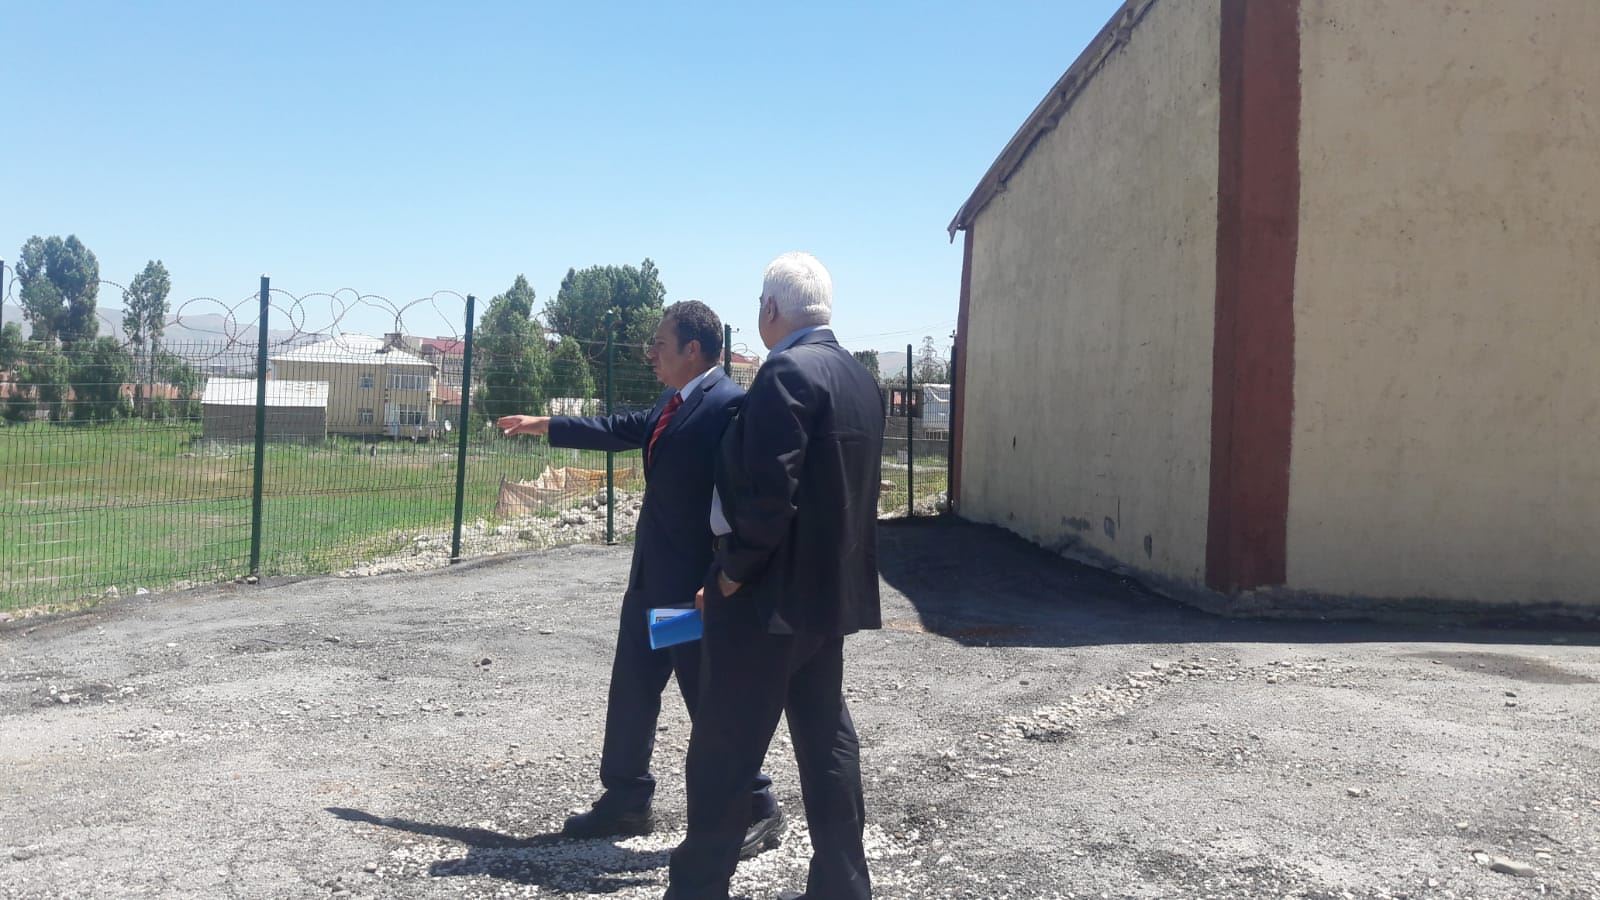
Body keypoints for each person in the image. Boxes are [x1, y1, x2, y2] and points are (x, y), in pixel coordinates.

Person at [497, 300, 785, 856]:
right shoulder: (674, 402)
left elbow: (742, 500)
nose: (650, 353)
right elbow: (621, 427)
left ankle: (757, 803)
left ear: (692, 349)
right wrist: (546, 424)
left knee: (708, 698)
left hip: (689, 592)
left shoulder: (728, 405)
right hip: (651, 582)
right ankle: (627, 798)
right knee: (633, 687)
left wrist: (722, 575)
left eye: (659, 343)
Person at [666, 254, 883, 900]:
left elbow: (769, 494)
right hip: (827, 601)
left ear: (770, 309)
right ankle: (843, 885)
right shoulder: (859, 377)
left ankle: (697, 888)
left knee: (722, 754)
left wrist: (730, 575)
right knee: (826, 743)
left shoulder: (786, 372)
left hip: (765, 603)